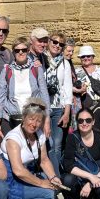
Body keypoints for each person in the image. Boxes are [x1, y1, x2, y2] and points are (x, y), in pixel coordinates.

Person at [0, 101, 61, 199]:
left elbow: (44, 160)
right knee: (46, 191)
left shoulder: (39, 134)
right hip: (9, 178)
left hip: (25, 174)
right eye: (31, 119)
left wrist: (53, 178)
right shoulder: (13, 138)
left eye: (38, 121)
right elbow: (18, 170)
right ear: (24, 118)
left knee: (51, 190)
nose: (34, 124)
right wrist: (41, 182)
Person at [0, 37, 49, 144]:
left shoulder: (36, 69)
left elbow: (44, 95)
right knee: (12, 151)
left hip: (32, 117)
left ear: (28, 51)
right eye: (17, 50)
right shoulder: (7, 70)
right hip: (12, 117)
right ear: (13, 52)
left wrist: (46, 122)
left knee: (34, 151)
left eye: (24, 50)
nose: (21, 53)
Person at [61, 107, 100, 199]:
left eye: (88, 120)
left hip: (97, 175)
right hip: (79, 176)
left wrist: (91, 182)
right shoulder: (72, 138)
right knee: (67, 180)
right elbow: (68, 165)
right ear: (77, 122)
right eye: (81, 121)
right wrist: (90, 177)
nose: (84, 123)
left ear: (93, 121)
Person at [43, 31, 74, 177]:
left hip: (58, 108)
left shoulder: (65, 63)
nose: (57, 46)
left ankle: (56, 178)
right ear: (49, 42)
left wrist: (67, 112)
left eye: (61, 44)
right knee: (45, 144)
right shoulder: (41, 60)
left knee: (56, 146)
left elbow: (67, 88)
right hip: (42, 108)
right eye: (54, 42)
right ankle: (48, 176)